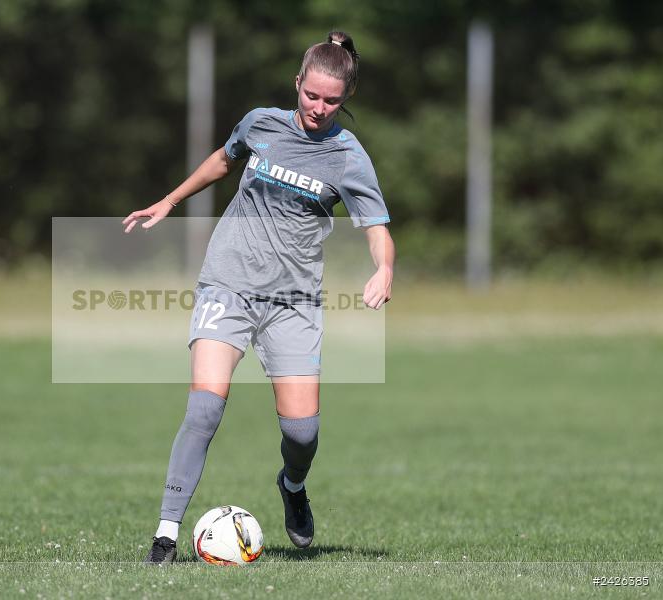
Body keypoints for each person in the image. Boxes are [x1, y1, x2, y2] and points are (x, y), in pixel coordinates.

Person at [122, 31, 394, 565]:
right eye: (311, 95)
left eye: (331, 100)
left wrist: (383, 267)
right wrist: (170, 200)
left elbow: (377, 225)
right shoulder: (261, 122)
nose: (318, 108)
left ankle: (292, 487)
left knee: (302, 432)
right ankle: (165, 536)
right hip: (228, 282)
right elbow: (226, 159)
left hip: (293, 301)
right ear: (297, 84)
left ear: (347, 99)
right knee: (203, 408)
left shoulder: (347, 157)